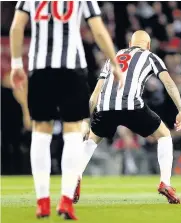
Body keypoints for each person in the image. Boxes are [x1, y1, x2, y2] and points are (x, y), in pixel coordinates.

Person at [9, 1, 123, 220]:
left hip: (40, 69)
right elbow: (98, 29)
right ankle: (66, 201)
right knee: (72, 132)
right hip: (72, 69)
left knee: (41, 131)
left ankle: (42, 202)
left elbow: (16, 27)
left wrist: (16, 64)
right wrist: (115, 65)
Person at [76, 30, 181, 204]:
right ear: (148, 45)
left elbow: (96, 93)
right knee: (164, 135)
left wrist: (85, 120)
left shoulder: (115, 56)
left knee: (91, 140)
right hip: (131, 105)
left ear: (130, 44)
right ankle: (165, 182)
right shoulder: (150, 56)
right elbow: (169, 83)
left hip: (105, 106)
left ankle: (75, 175)